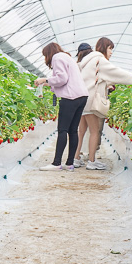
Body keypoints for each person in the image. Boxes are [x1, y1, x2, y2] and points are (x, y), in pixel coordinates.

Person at [74, 37, 132, 170]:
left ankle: (75, 159)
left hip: (81, 101)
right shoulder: (99, 60)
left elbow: (93, 79)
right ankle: (91, 161)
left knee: (81, 131)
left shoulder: (84, 62)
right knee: (95, 131)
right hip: (91, 102)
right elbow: (119, 74)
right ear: (104, 47)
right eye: (110, 48)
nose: (111, 52)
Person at [34, 42, 89, 171]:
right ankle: (70, 164)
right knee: (73, 130)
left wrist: (45, 80)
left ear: (49, 53)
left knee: (63, 130)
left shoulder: (57, 58)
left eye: (45, 56)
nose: (45, 59)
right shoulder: (67, 57)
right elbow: (65, 80)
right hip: (82, 96)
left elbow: (62, 78)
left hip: (70, 97)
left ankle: (56, 163)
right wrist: (46, 83)